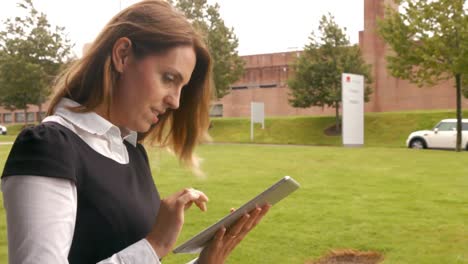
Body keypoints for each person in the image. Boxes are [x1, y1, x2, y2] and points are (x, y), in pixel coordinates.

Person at [0, 1, 270, 263]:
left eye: (182, 88)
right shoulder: (49, 146)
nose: (176, 101)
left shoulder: (132, 151)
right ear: (123, 55)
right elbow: (147, 252)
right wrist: (154, 246)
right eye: (168, 78)